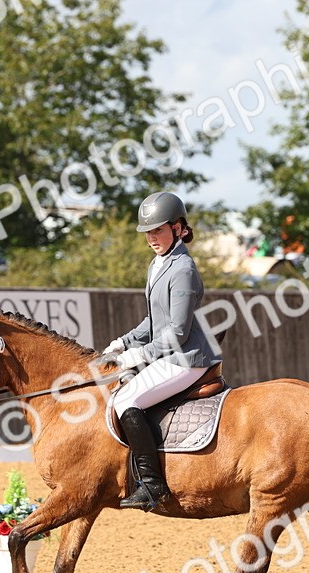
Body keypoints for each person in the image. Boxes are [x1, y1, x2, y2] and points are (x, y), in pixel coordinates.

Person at [99, 191, 221, 511]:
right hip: (168, 354)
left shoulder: (183, 269)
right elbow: (154, 320)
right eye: (148, 232)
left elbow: (178, 331)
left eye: (158, 230)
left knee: (126, 400)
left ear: (178, 228)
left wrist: (141, 354)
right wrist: (125, 342)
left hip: (187, 359)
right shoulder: (158, 263)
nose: (152, 238)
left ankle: (153, 485)